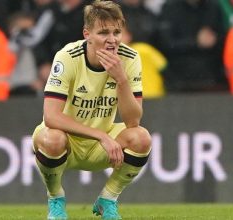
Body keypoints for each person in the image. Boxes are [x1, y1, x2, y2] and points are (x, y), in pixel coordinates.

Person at [31, 1, 151, 219]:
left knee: (141, 138)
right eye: (103, 32)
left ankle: (108, 199)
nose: (112, 39)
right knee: (52, 140)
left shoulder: (130, 58)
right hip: (68, 140)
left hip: (101, 145)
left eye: (117, 32)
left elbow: (133, 121)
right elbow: (51, 116)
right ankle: (55, 198)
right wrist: (101, 135)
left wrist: (121, 80)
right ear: (87, 34)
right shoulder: (67, 57)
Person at [155, 0, 228, 93]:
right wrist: (196, 42)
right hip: (179, 80)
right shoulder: (170, 8)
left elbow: (223, 41)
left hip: (211, 79)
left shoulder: (213, 7)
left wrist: (214, 40)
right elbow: (165, 44)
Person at [122, 26, 167, 98]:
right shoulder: (144, 48)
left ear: (129, 36)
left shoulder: (144, 49)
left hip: (152, 95)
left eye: (119, 33)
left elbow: (164, 67)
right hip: (151, 96)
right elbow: (163, 66)